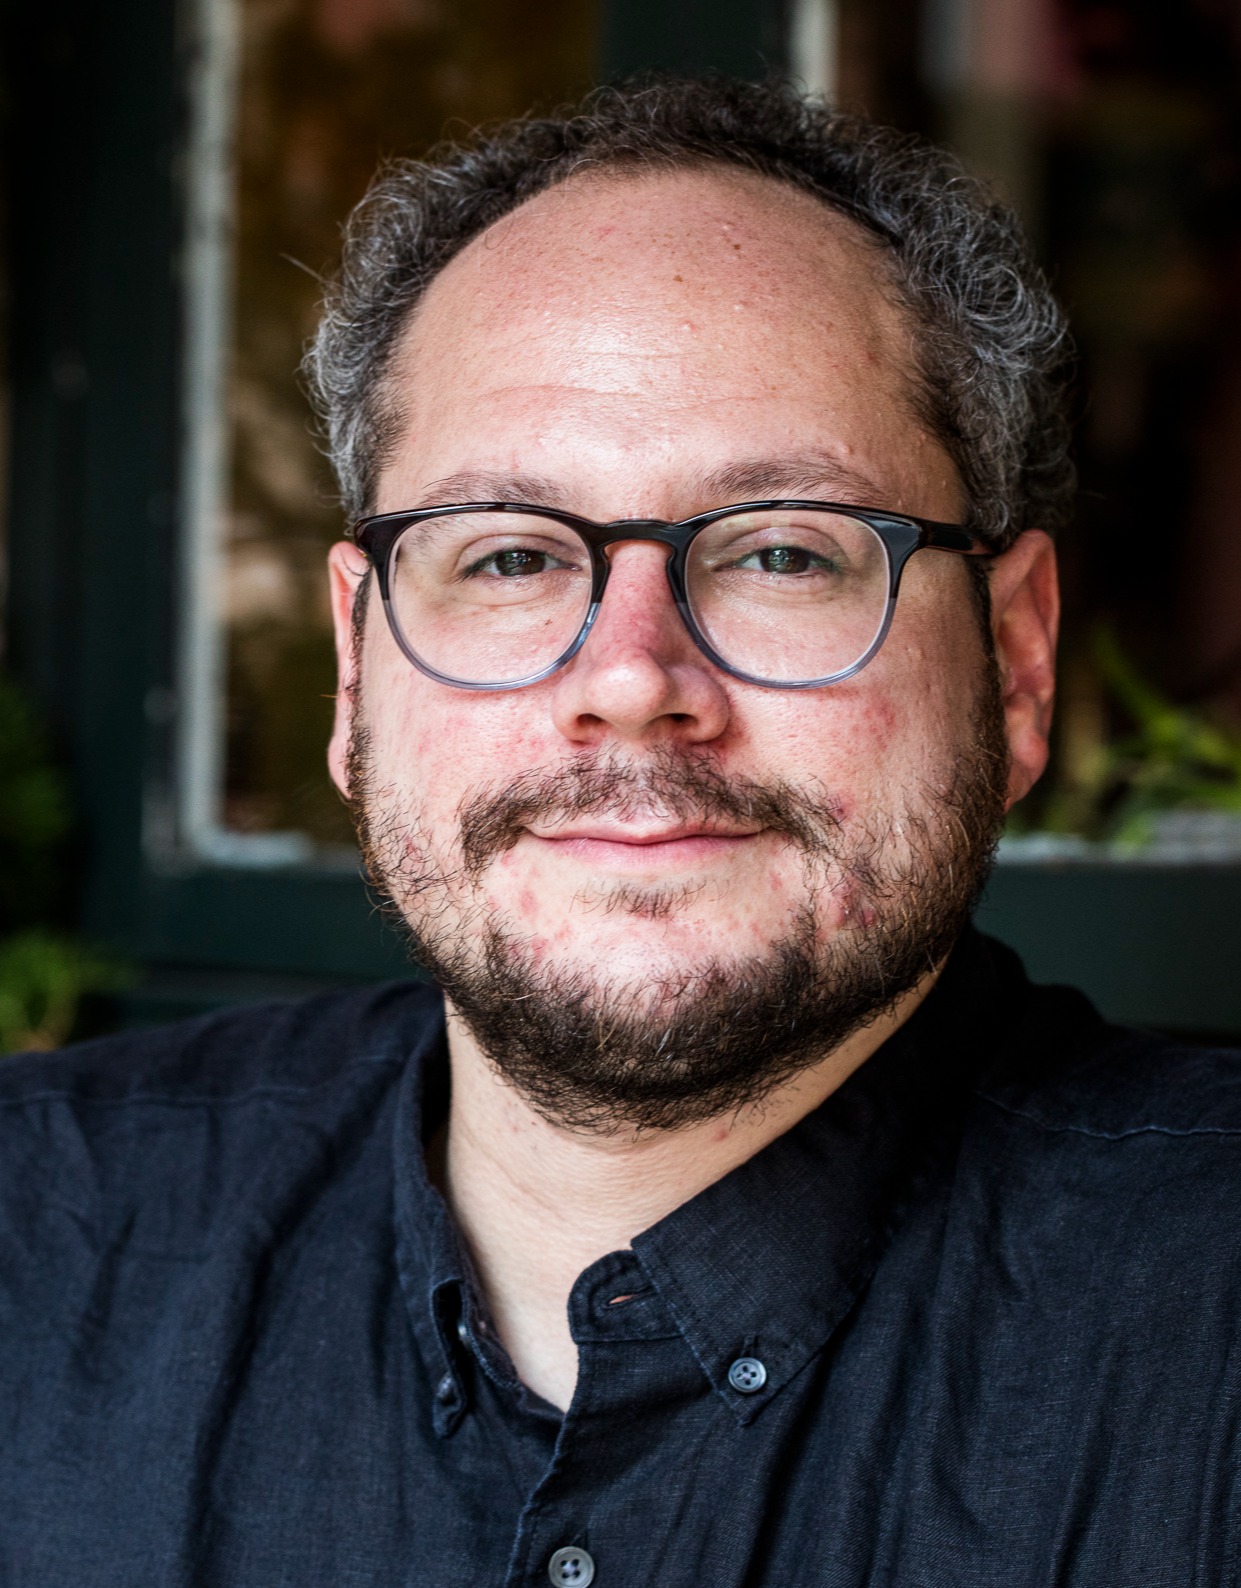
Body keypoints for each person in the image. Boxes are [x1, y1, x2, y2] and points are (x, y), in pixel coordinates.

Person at [3, 76, 1238, 1587]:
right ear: (352, 668)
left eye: (784, 549)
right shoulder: (34, 1234)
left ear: (1017, 661)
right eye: (510, 554)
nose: (632, 683)